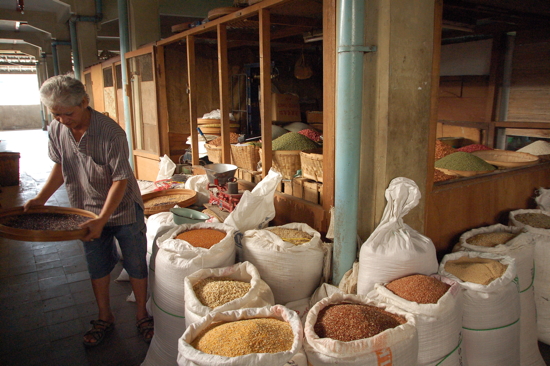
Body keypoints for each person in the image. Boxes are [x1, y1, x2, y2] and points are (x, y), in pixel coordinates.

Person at [24, 74, 154, 347]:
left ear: (84, 102)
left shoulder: (111, 133)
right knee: (97, 266)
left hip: (123, 212)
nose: (62, 120)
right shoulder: (57, 129)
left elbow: (120, 179)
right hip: (85, 211)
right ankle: (104, 317)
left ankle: (142, 314)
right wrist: (41, 198)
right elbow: (60, 166)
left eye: (67, 113)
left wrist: (102, 220)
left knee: (135, 264)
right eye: (55, 114)